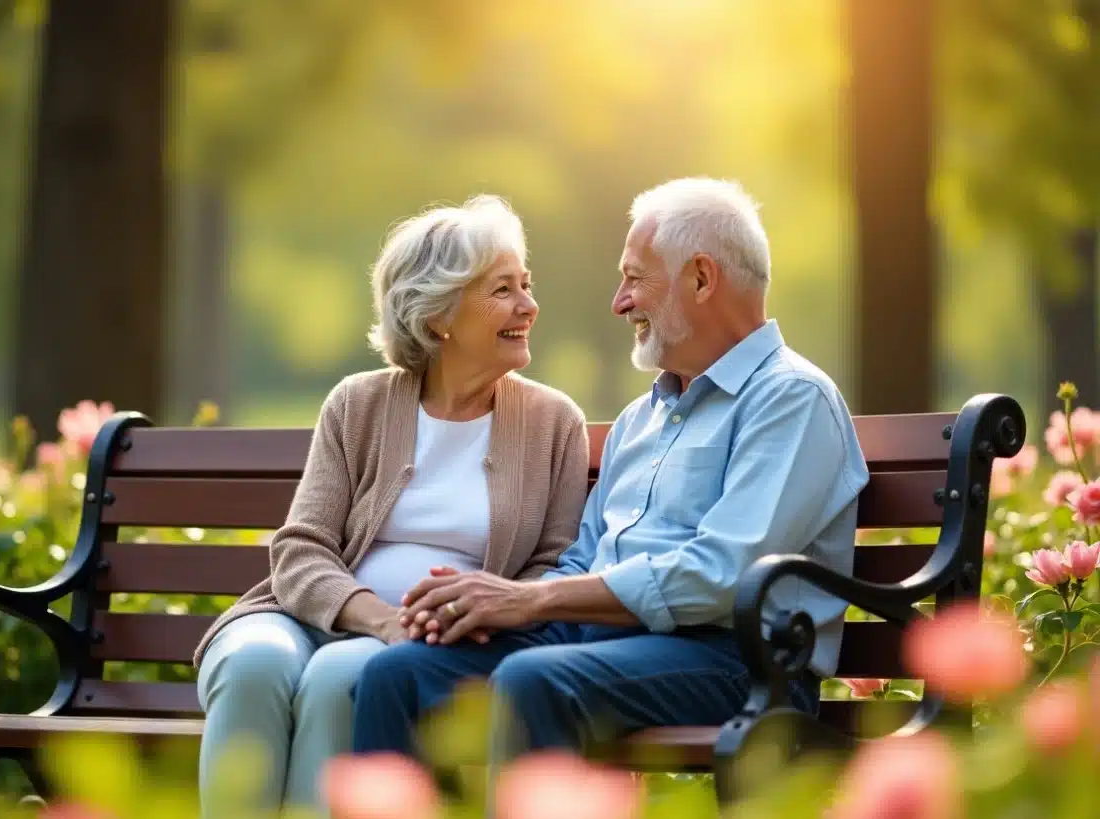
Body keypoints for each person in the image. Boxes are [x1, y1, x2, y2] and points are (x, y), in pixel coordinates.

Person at [350, 177, 870, 768]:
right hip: (604, 641)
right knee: (398, 672)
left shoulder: (790, 400)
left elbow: (722, 574)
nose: (620, 301)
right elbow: (587, 554)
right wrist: (500, 602)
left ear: (701, 278)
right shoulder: (642, 417)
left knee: (532, 679)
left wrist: (533, 600)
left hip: (737, 661)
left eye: (635, 278)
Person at [192, 194, 590, 819]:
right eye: (502, 290)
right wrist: (378, 617)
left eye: (526, 284)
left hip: (431, 643)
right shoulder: (359, 403)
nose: (528, 306)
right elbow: (300, 549)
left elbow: (554, 564)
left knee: (338, 680)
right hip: (309, 615)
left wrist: (473, 613)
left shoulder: (552, 423)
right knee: (252, 664)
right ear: (438, 319)